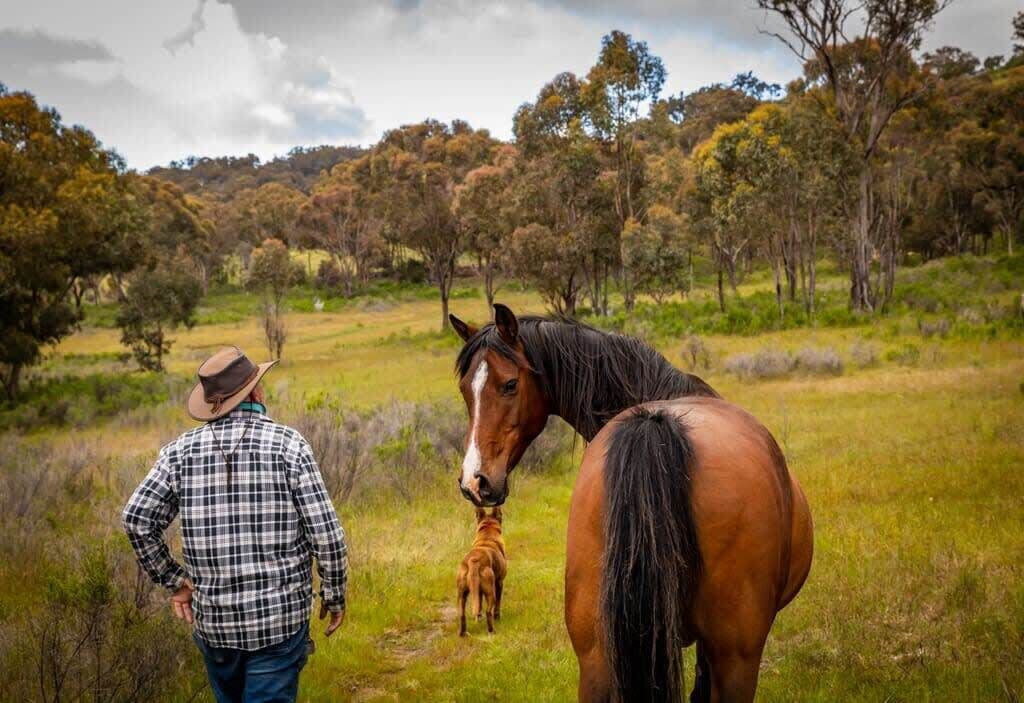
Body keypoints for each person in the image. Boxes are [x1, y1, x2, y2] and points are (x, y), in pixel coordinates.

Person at [122, 346, 348, 703]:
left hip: (215, 628)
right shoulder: (289, 446)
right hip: (278, 624)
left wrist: (175, 582)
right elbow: (328, 537)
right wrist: (334, 595)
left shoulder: (178, 454)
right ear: (256, 392)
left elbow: (136, 518)